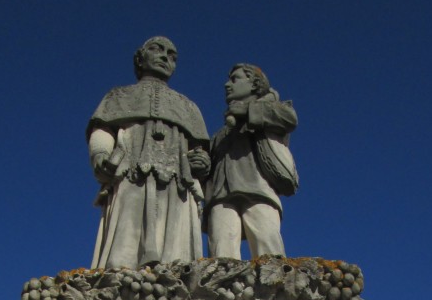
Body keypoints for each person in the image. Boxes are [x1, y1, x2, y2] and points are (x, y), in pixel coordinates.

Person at [87, 37, 210, 269]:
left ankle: (174, 275)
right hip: (131, 171)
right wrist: (100, 154)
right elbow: (103, 129)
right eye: (157, 49)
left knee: (175, 240)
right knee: (127, 229)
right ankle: (120, 276)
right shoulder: (118, 96)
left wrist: (201, 160)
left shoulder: (188, 106)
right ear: (140, 58)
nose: (165, 57)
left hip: (177, 179)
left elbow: (200, 149)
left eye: (172, 56)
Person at [205, 63, 298, 259]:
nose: (227, 85)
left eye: (235, 79)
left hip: (258, 190)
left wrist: (248, 112)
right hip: (220, 195)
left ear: (254, 84)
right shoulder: (221, 135)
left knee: (269, 251)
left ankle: (275, 289)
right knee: (221, 254)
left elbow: (289, 119)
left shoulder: (270, 111)